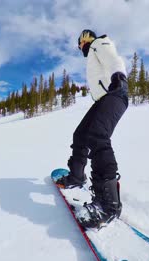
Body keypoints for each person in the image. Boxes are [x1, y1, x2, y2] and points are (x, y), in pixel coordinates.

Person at [56, 29, 128, 229]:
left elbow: (114, 59)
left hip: (116, 93)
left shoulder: (99, 43)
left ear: (86, 38)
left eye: (80, 42)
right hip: (105, 98)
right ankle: (77, 176)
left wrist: (119, 78)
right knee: (80, 135)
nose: (80, 46)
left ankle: (109, 205)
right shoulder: (93, 52)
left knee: (98, 136)